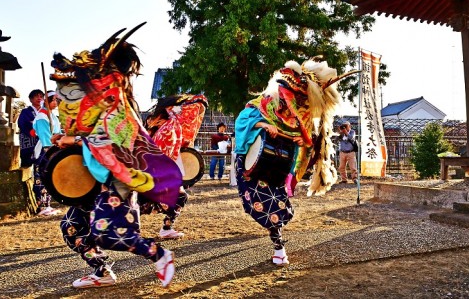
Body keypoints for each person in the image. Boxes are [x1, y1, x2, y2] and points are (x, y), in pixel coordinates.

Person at [48, 23, 179, 289]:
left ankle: (159, 254)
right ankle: (102, 272)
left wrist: (74, 139)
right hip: (94, 179)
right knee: (72, 228)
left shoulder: (118, 106)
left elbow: (111, 140)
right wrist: (65, 138)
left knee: (108, 232)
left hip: (117, 178)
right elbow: (88, 131)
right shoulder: (97, 103)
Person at [234, 58, 344, 267]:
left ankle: (278, 246)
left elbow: (308, 141)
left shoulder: (300, 116)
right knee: (262, 204)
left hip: (277, 167)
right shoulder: (263, 104)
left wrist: (303, 141)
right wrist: (262, 125)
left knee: (278, 204)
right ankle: (279, 245)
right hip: (252, 164)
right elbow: (242, 121)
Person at [142, 94, 208, 239]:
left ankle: (166, 228)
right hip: (153, 174)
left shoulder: (168, 125)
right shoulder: (169, 126)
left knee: (180, 197)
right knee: (137, 204)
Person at [31, 90, 62, 216]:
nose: (55, 103)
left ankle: (48, 205)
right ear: (47, 101)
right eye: (53, 100)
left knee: (49, 177)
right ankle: (41, 206)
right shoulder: (41, 116)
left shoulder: (52, 115)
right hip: (45, 149)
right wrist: (50, 149)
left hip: (53, 147)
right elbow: (45, 136)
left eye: (56, 100)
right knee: (41, 177)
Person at [17, 89, 44, 169]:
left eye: (41, 97)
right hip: (28, 139)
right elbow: (22, 124)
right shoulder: (26, 111)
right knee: (27, 162)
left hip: (42, 140)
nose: (39, 98)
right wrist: (34, 129)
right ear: (31, 99)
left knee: (41, 162)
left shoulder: (45, 112)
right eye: (36, 96)